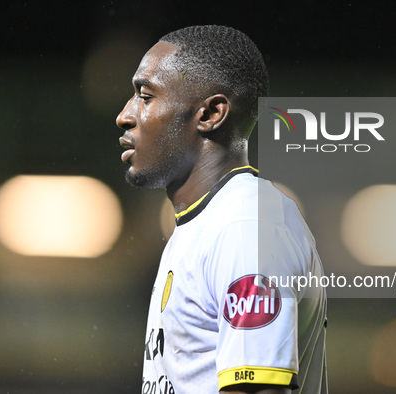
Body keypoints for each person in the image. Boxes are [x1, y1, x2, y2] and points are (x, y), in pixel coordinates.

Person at [116, 25, 327, 394]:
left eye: (145, 96)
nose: (125, 115)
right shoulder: (206, 223)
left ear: (211, 113)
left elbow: (260, 389)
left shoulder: (246, 226)